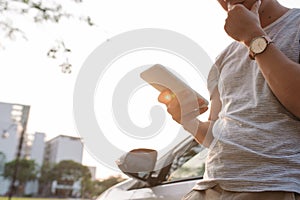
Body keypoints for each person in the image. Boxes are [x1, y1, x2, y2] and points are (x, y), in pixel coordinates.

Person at [158, 0, 300, 199]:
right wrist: (188, 120)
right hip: (209, 187)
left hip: (271, 186)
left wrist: (253, 37)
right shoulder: (225, 57)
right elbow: (215, 136)